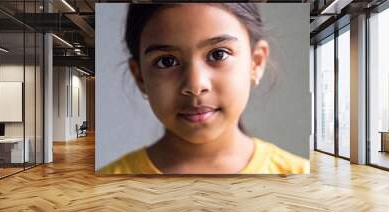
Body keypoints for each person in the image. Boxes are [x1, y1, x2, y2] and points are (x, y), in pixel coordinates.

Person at [99, 3, 309, 174]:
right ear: (140, 77)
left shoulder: (298, 177)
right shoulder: (105, 189)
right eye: (166, 61)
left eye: (218, 54)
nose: (195, 85)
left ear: (256, 62)